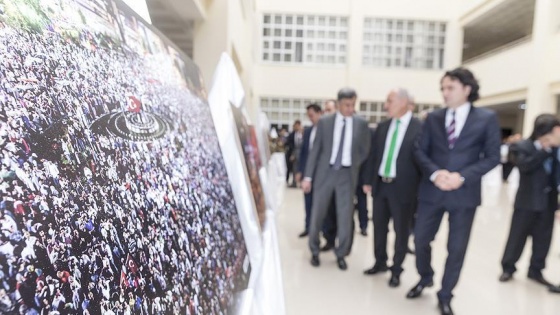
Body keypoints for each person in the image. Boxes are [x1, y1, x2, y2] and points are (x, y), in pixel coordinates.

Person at [407, 68, 500, 315]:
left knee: (456, 248)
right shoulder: (434, 118)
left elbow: (492, 157)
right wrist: (437, 174)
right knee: (421, 239)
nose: (445, 93)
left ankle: (446, 294)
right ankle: (425, 276)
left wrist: (461, 177)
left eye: (450, 88)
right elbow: (419, 151)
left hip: (464, 193)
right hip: (432, 190)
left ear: (467, 89)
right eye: (443, 88)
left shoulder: (486, 118)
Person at [302, 88, 371, 270]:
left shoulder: (361, 124)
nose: (350, 108)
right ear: (339, 103)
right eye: (347, 105)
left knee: (345, 216)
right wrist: (308, 177)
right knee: (317, 213)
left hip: (347, 175)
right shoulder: (325, 122)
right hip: (325, 173)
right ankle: (314, 250)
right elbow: (315, 151)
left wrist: (354, 164)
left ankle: (341, 253)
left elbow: (365, 150)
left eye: (353, 105)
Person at [362, 88, 422, 288]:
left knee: (401, 232)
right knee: (379, 228)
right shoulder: (383, 126)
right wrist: (368, 180)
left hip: (403, 189)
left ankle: (396, 269)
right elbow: (374, 155)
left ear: (404, 102)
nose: (386, 106)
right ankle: (380, 262)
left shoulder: (419, 128)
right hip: (381, 185)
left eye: (390, 101)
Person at [499, 114, 560, 289]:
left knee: (543, 239)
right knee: (517, 236)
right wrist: (544, 149)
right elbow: (525, 166)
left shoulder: (557, 149)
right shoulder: (521, 146)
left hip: (548, 203)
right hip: (526, 201)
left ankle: (536, 270)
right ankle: (508, 268)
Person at [295, 104, 323, 237]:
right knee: (308, 202)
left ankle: (321, 229)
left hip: (322, 175)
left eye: (312, 115)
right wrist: (300, 171)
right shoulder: (307, 131)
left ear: (319, 113)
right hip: (308, 173)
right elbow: (303, 153)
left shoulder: (326, 131)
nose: (310, 118)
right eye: (308, 116)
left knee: (321, 204)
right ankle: (308, 227)